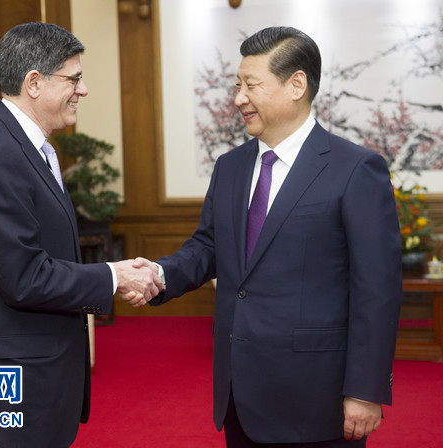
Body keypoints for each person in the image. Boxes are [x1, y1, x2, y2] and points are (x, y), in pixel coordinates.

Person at [132, 27, 403, 447]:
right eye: (237, 86)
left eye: (251, 85)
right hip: (239, 393)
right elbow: (208, 247)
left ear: (296, 85)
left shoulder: (355, 169)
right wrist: (159, 274)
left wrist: (366, 390)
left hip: (317, 397)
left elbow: (377, 289)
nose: (239, 98)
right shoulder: (230, 167)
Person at [0, 22, 161, 447]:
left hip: (31, 374)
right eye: (74, 79)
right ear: (34, 83)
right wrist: (114, 276)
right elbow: (25, 278)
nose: (83, 90)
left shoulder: (25, 147)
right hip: (1, 386)